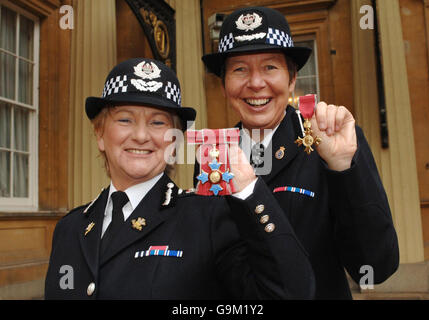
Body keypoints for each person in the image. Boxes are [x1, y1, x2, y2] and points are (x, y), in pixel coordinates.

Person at [44, 58, 315, 299]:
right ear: (100, 135)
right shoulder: (70, 228)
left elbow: (291, 292)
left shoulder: (208, 218)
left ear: (175, 142)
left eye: (158, 122)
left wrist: (249, 192)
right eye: (125, 120)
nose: (141, 135)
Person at [198, 6, 399, 299]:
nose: (255, 83)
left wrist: (343, 168)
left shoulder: (328, 144)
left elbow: (375, 267)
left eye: (270, 67)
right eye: (240, 69)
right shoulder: (214, 157)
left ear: (292, 79)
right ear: (224, 86)